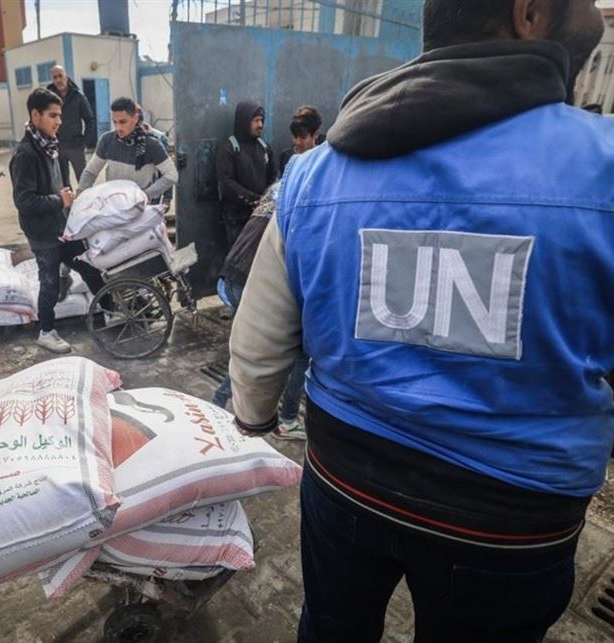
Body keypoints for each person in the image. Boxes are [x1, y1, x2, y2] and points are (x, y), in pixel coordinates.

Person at [228, 0, 612, 641]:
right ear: (529, 13)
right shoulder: (601, 167)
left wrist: (253, 414)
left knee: (332, 628)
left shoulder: (315, 174)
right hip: (512, 517)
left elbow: (261, 331)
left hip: (347, 479)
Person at [11, 88, 107, 354]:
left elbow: (59, 184)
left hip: (61, 227)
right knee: (50, 282)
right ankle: (46, 332)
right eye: (53, 115)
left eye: (60, 116)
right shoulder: (26, 154)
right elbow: (24, 201)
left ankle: (112, 309)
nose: (59, 121)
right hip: (43, 234)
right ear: (35, 115)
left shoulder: (50, 146)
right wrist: (59, 200)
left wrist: (69, 201)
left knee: (89, 267)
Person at [211, 183, 307, 441]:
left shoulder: (280, 187)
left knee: (254, 346)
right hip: (250, 279)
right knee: (299, 353)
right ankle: (287, 420)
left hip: (230, 275)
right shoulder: (311, 196)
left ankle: (219, 400)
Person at [78, 96, 178, 202]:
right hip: (114, 203)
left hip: (140, 205)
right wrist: (81, 194)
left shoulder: (152, 145)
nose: (118, 128)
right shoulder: (107, 140)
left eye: (123, 122)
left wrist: (146, 195)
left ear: (135, 118)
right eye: (115, 122)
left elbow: (172, 174)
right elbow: (91, 172)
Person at [215, 101, 277, 248]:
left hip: (262, 215)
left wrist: (265, 200)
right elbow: (226, 182)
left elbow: (273, 176)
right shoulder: (228, 149)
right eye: (256, 121)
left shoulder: (264, 148)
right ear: (244, 121)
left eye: (261, 120)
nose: (260, 125)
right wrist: (253, 200)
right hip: (237, 218)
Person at [47, 65, 96, 187]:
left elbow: (90, 119)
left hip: (76, 147)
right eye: (55, 77)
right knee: (62, 183)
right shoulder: (48, 98)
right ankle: (67, 200)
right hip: (57, 147)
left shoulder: (78, 96)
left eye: (60, 76)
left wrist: (85, 142)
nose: (58, 80)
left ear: (66, 76)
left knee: (84, 181)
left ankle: (86, 199)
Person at [278, 106, 322, 176]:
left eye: (303, 137)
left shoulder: (322, 159)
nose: (298, 142)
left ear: (316, 134)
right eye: (295, 136)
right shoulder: (286, 156)